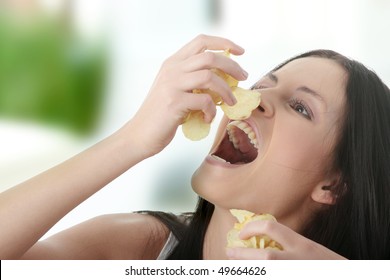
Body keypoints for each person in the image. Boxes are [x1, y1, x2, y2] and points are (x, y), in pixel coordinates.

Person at [0, 34, 389, 260]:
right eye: (261, 86)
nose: (256, 100)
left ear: (335, 185)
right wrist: (132, 140)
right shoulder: (144, 246)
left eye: (300, 107)